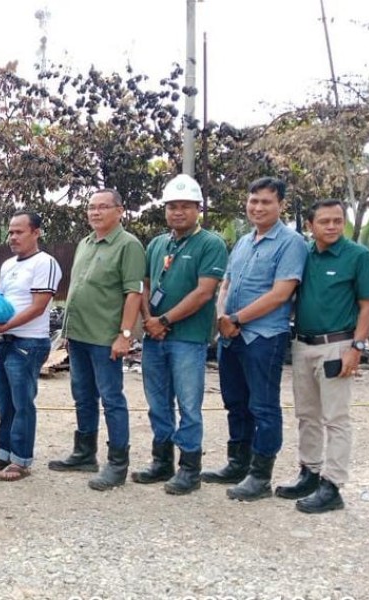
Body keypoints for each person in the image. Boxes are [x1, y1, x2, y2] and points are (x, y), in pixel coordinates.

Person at [206, 176, 308, 501]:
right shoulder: (243, 241)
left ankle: (260, 476)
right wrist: (222, 318)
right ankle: (238, 463)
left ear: (280, 205)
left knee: (263, 406)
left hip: (264, 337)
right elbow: (226, 284)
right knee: (235, 403)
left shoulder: (291, 243)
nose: (258, 207)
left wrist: (236, 319)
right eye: (254, 200)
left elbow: (280, 294)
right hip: (230, 337)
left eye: (266, 201)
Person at [276, 199, 369, 513]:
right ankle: (309, 472)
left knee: (336, 418)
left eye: (337, 220)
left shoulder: (357, 256)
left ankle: (332, 485)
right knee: (307, 414)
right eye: (324, 221)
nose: (332, 226)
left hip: (337, 345)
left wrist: (357, 348)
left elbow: (368, 305)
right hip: (303, 344)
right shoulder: (302, 254)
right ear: (310, 225)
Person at [134, 175, 228, 495]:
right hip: (154, 338)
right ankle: (162, 461)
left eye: (185, 206)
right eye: (172, 206)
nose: (178, 212)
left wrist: (163, 320)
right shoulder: (157, 244)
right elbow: (145, 285)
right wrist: (149, 320)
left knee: (189, 405)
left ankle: (190, 468)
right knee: (157, 403)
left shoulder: (210, 244)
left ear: (198, 209)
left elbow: (204, 293)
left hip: (188, 338)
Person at [50, 188, 145, 492]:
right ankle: (84, 453)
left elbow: (134, 293)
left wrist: (125, 335)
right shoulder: (85, 243)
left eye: (103, 207)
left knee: (112, 399)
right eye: (91, 207)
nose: (95, 212)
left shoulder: (128, 245)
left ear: (120, 211)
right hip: (79, 334)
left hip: (105, 338)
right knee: (82, 395)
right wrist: (67, 332)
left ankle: (117, 464)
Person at [0, 212, 61, 482]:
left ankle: (21, 460)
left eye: (19, 232)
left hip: (29, 343)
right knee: (3, 401)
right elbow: (1, 304)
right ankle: (4, 453)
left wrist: (4, 327)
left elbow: (38, 307)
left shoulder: (45, 263)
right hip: (6, 341)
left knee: (22, 403)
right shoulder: (8, 264)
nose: (12, 237)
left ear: (36, 232)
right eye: (10, 232)